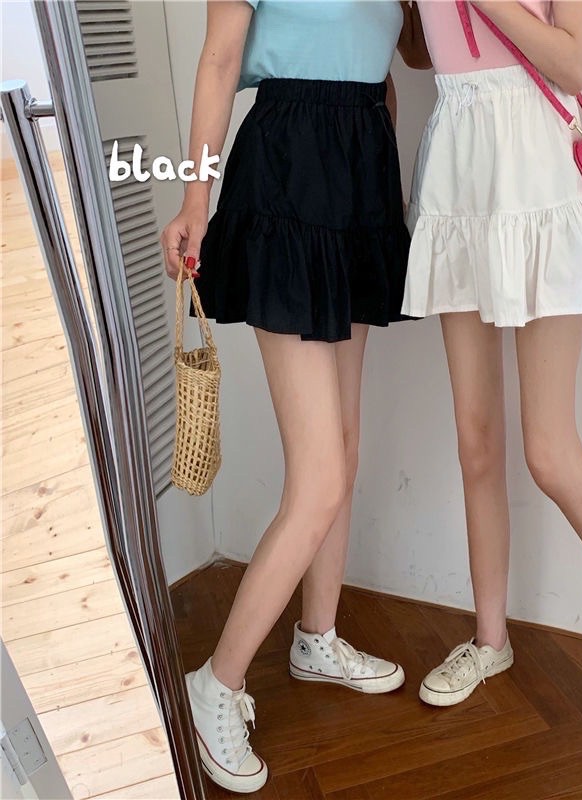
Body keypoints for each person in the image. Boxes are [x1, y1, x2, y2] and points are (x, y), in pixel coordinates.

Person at [160, 1, 430, 791]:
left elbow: (398, 64)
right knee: (319, 477)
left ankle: (318, 636)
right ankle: (215, 684)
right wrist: (196, 201)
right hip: (286, 171)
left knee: (344, 446)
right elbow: (219, 61)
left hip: (362, 174)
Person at [403, 0, 582, 738]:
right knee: (475, 442)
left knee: (549, 450)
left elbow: (571, 63)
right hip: (459, 177)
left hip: (541, 182)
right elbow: (423, 53)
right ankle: (489, 640)